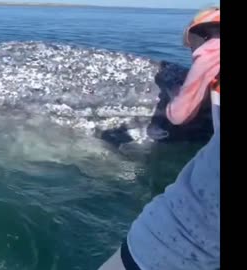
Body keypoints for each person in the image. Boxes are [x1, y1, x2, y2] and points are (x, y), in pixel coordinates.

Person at [98, 7, 220, 270]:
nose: (192, 52)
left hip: (193, 237)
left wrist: (177, 94)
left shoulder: (211, 50)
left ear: (202, 34)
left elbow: (178, 116)